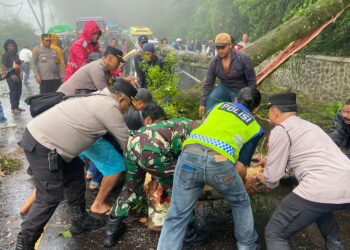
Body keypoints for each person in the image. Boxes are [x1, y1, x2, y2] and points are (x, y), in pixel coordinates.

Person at [15, 79, 138, 250]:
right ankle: (25, 241)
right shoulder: (109, 107)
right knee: (49, 197)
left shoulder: (99, 97)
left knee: (74, 176)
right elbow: (128, 144)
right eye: (128, 107)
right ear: (122, 100)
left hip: (53, 144)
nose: (127, 111)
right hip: (44, 144)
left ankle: (80, 219)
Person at [157, 87, 264, 250]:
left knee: (177, 215)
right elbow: (241, 168)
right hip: (219, 162)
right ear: (256, 109)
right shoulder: (256, 128)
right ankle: (247, 246)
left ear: (235, 100)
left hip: (189, 156)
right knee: (240, 201)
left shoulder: (218, 107)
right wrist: (238, 185)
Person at [256, 92, 350, 250]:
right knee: (320, 209)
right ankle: (336, 246)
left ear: (274, 112)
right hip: (346, 184)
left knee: (275, 232)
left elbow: (272, 180)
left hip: (322, 186)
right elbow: (307, 156)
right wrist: (270, 160)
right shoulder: (310, 126)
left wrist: (260, 176)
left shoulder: (281, 130)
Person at [103, 102, 203, 248]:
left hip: (132, 145)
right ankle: (189, 235)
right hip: (153, 152)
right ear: (163, 117)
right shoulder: (182, 124)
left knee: (130, 188)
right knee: (179, 189)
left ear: (149, 119)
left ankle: (111, 231)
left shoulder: (144, 129)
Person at [199, 33, 256, 117]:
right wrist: (202, 103)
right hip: (224, 88)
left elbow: (252, 80)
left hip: (241, 90)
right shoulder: (214, 62)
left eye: (222, 47)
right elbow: (208, 84)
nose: (220, 50)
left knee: (238, 115)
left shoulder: (243, 59)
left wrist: (252, 100)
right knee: (211, 99)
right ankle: (209, 121)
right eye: (217, 47)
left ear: (230, 45)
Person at [57, 46, 125, 95]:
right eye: (118, 61)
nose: (119, 64)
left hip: (74, 98)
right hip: (64, 98)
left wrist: (123, 81)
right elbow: (106, 93)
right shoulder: (97, 68)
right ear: (110, 58)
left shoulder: (102, 68)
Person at [1, 39, 24, 114]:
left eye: (13, 46)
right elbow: (3, 66)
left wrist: (21, 73)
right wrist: (10, 75)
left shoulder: (16, 55)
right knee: (13, 91)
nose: (12, 47)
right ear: (6, 47)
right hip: (10, 76)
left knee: (19, 91)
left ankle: (17, 106)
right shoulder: (5, 55)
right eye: (10, 46)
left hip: (17, 75)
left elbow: (19, 64)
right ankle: (14, 108)